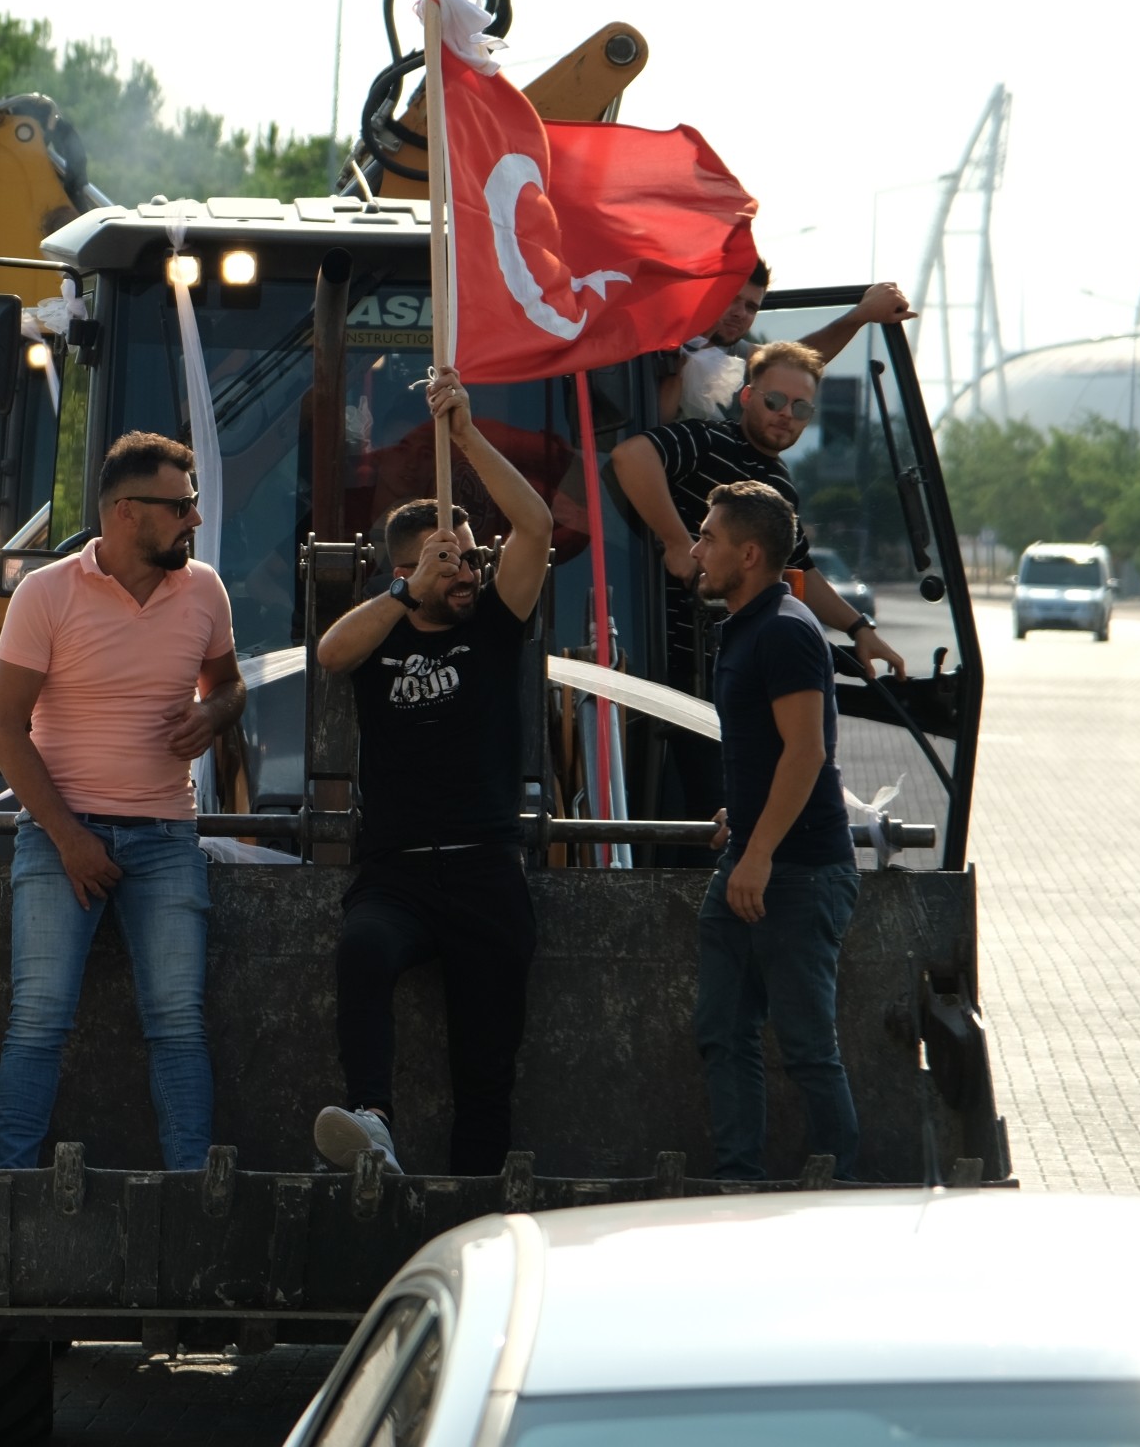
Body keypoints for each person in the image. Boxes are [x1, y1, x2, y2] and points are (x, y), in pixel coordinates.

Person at [311, 370, 554, 1177]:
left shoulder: (493, 623)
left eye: (468, 556)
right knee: (363, 953)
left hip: (488, 874)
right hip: (397, 876)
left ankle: (473, 1207)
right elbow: (331, 654)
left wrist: (466, 437)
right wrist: (404, 591)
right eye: (444, 561)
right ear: (407, 570)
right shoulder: (380, 632)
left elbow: (537, 526)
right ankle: (372, 1120)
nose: (463, 571)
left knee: (487, 1073)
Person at [0, 432, 244, 1171]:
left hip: (164, 836)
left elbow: (228, 686)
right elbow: (3, 729)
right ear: (126, 513)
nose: (194, 520)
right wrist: (68, 837)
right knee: (37, 1021)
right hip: (60, 836)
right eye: (182, 507)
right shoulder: (46, 592)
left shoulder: (204, 590)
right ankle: (10, 1191)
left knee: (179, 1025)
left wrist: (216, 713)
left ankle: (193, 1189)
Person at [611, 341, 902, 837]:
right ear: (746, 397)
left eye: (800, 408)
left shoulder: (779, 486)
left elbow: (800, 572)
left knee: (719, 822)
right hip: (663, 669)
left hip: (724, 677)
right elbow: (630, 456)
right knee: (685, 827)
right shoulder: (707, 441)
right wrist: (677, 541)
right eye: (774, 401)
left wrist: (858, 627)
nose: (786, 415)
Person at [688, 481, 861, 1180]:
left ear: (749, 553)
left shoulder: (787, 630)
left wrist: (758, 852)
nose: (696, 550)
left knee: (807, 1048)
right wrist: (744, 818)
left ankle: (849, 1190)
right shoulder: (750, 625)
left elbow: (807, 750)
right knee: (723, 1031)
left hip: (798, 872)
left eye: (708, 538)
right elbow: (770, 751)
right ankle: (739, 1182)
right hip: (754, 858)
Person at [668, 264, 914, 422]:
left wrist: (860, 315)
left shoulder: (724, 348)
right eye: (732, 299)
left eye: (752, 307)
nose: (740, 313)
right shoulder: (663, 342)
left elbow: (792, 361)